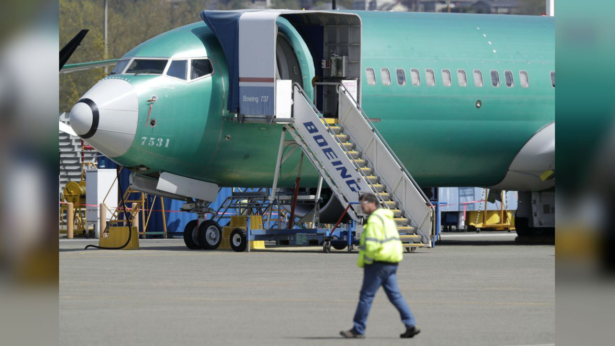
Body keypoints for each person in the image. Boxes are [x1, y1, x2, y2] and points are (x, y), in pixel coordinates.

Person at [340, 193, 420, 339]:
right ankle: (411, 325)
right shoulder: (386, 217)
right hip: (391, 261)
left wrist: (368, 261)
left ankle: (358, 329)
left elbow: (371, 244)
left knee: (366, 297)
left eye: (363, 203)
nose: (361, 206)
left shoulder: (374, 220)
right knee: (395, 296)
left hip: (378, 263)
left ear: (372, 203)